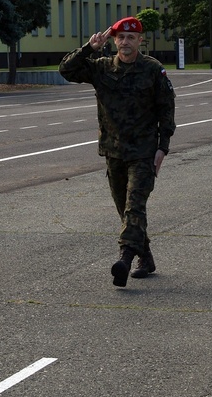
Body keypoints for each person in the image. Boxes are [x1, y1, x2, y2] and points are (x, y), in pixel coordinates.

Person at [58, 17, 176, 287]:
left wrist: (163, 148)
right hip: (113, 151)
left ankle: (124, 258)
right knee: (125, 210)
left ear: (140, 41)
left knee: (135, 204)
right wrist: (89, 48)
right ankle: (146, 258)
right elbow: (66, 70)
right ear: (113, 41)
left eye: (131, 38)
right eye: (120, 37)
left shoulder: (152, 70)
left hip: (144, 152)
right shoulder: (101, 68)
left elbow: (166, 109)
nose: (125, 42)